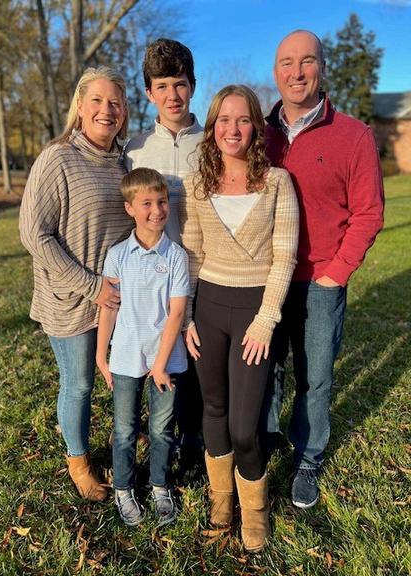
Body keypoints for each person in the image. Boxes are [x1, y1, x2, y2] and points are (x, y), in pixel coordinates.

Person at [264, 30, 384, 509]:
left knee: (315, 378)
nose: (297, 72)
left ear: (322, 68)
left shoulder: (354, 135)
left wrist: (336, 272)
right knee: (267, 369)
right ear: (276, 72)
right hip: (266, 278)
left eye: (307, 61)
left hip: (320, 280)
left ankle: (308, 457)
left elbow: (369, 213)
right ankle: (265, 441)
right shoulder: (259, 133)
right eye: (287, 62)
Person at [180, 85, 299, 552]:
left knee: (245, 426)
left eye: (243, 119)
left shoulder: (278, 183)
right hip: (208, 308)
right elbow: (192, 254)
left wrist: (266, 319)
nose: (233, 129)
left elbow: (284, 256)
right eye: (224, 120)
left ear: (256, 127)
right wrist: (187, 316)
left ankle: (255, 511)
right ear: (212, 128)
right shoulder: (196, 184)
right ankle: (221, 502)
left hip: (255, 313)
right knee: (213, 409)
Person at [19, 66, 134, 501]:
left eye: (115, 102)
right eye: (98, 101)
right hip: (69, 296)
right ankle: (79, 461)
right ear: (81, 107)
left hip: (115, 298)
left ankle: (125, 434)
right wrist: (90, 285)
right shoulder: (58, 158)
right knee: (80, 383)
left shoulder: (124, 161)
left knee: (123, 372)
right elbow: (34, 234)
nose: (107, 110)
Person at [124, 38, 204, 472]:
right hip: (152, 280)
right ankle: (156, 438)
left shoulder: (212, 142)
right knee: (158, 359)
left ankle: (193, 441)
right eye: (162, 86)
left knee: (195, 362)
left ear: (193, 86)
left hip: (203, 274)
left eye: (180, 84)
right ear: (149, 92)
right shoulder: (134, 150)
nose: (172, 95)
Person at [96, 168, 189, 527]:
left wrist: (161, 364)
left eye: (162, 202)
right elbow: (109, 307)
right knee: (124, 429)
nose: (157, 210)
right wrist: (101, 356)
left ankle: (159, 485)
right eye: (147, 203)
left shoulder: (176, 255)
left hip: (167, 358)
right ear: (129, 208)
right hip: (125, 356)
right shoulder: (118, 255)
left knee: (161, 429)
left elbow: (176, 312)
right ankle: (123, 488)